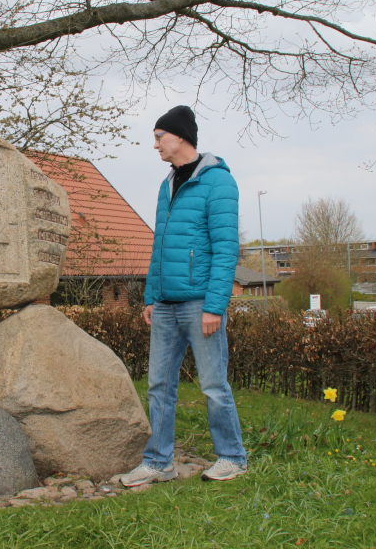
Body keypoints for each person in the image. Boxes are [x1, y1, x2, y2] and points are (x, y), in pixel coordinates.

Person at [116, 105, 248, 487]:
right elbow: (160, 246)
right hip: (166, 307)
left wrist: (214, 306)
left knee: (212, 385)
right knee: (158, 385)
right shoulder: (166, 185)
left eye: (159, 136)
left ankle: (232, 457)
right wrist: (150, 296)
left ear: (180, 137)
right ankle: (158, 462)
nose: (155, 144)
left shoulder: (218, 182)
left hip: (199, 305)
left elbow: (225, 249)